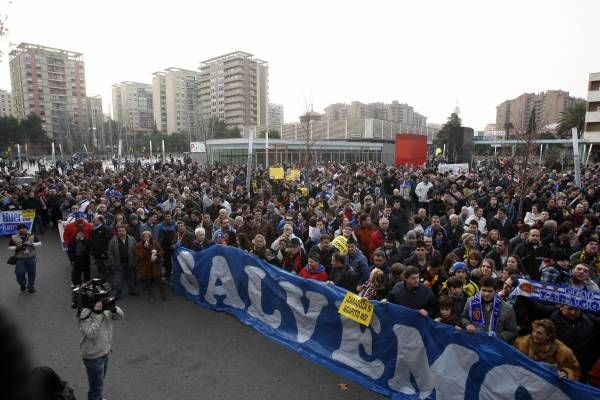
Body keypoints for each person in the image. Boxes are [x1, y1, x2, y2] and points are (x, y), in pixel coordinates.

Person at [79, 297, 124, 400]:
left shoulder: (107, 309)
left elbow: (120, 316)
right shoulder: (85, 313)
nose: (104, 300)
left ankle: (98, 398)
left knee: (99, 382)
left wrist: (114, 309)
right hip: (93, 357)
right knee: (95, 388)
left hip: (105, 352)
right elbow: (91, 334)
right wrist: (98, 314)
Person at [514, 319, 581, 380]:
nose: (534, 334)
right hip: (525, 380)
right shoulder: (521, 343)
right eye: (533, 331)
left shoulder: (564, 352)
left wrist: (566, 373)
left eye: (539, 333)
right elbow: (512, 360)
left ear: (548, 336)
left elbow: (575, 370)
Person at [461, 277, 518, 342]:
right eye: (484, 290)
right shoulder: (470, 302)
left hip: (494, 346)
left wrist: (498, 336)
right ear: (480, 289)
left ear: (496, 291)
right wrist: (467, 324)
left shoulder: (507, 309)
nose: (486, 294)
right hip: (474, 342)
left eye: (490, 291)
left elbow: (512, 332)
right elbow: (463, 317)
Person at [8, 223, 42, 293]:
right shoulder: (14, 237)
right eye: (21, 229)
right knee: (19, 273)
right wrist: (18, 246)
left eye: (25, 229)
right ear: (18, 230)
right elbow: (10, 247)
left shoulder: (32, 236)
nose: (23, 230)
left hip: (31, 258)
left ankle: (30, 287)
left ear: (27, 229)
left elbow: (39, 243)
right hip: (20, 259)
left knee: (32, 273)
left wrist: (32, 244)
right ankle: (22, 284)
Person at [108, 224, 139, 299]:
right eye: (119, 231)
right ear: (117, 232)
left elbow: (136, 250)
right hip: (119, 264)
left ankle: (132, 291)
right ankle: (116, 295)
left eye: (123, 231)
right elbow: (110, 253)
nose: (121, 232)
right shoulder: (113, 240)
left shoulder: (132, 239)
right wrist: (113, 263)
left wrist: (136, 260)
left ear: (126, 231)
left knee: (131, 280)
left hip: (130, 263)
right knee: (118, 281)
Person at [136, 231, 168, 303]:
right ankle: (151, 296)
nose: (146, 238)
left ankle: (164, 295)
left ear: (150, 237)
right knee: (148, 282)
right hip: (145, 267)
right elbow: (139, 256)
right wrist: (144, 248)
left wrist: (157, 255)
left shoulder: (155, 243)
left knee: (159, 281)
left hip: (155, 266)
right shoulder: (139, 245)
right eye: (144, 237)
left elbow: (162, 251)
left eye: (148, 236)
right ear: (142, 237)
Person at [92, 215, 113, 281]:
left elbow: (108, 242)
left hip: (103, 253)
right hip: (97, 253)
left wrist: (105, 252)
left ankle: (109, 283)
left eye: (94, 220)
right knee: (100, 267)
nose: (93, 221)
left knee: (106, 268)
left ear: (100, 221)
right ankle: (102, 281)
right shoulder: (94, 228)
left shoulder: (105, 229)